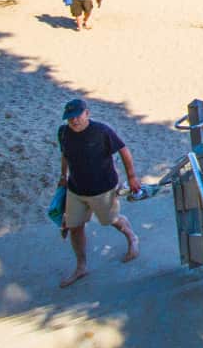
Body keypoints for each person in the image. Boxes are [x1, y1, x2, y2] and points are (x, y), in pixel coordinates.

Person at [56, 98, 141, 286]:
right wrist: (63, 176)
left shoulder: (102, 131)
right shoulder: (63, 133)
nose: (74, 121)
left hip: (102, 189)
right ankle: (81, 266)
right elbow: (65, 155)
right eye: (70, 118)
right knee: (75, 227)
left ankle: (132, 237)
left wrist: (132, 176)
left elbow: (124, 151)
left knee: (111, 220)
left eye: (77, 116)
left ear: (87, 113)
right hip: (76, 189)